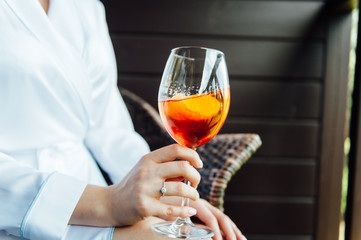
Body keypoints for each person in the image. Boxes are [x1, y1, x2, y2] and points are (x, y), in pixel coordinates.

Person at [0, 0, 246, 239]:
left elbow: (107, 126)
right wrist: (108, 203)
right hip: (19, 203)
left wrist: (163, 192)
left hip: (87, 182)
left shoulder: (86, 7)